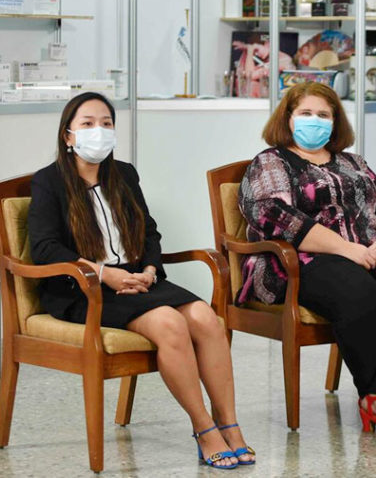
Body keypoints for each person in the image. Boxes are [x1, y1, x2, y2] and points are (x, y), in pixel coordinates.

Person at [28, 92, 255, 469]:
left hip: (138, 279)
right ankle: (204, 428)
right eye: (87, 123)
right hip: (85, 289)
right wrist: (105, 274)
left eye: (106, 123)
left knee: (206, 318)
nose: (99, 130)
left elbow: (148, 231)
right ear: (68, 135)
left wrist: (149, 270)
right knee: (170, 323)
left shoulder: (124, 174)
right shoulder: (48, 182)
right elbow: (45, 248)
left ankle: (229, 424)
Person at [237, 82, 376, 440]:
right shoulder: (271, 161)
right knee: (363, 296)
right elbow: (274, 215)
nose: (314, 121)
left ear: (335, 122)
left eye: (323, 115)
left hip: (368, 251)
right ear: (288, 118)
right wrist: (346, 248)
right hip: (301, 261)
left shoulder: (353, 162)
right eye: (306, 113)